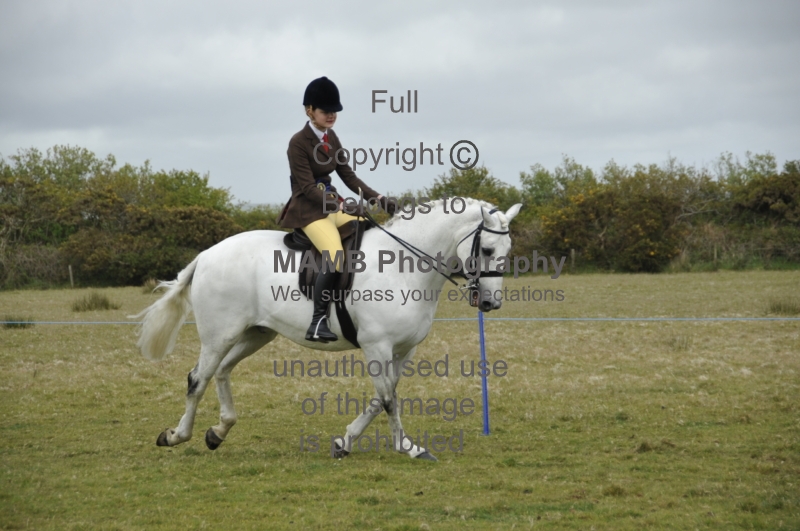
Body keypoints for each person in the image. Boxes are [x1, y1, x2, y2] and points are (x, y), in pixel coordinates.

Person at [278, 76, 396, 343]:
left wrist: (378, 198)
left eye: (334, 111)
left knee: (366, 228)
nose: (331, 115)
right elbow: (308, 188)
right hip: (308, 210)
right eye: (325, 111)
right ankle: (318, 320)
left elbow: (348, 176)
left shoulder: (331, 137)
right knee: (334, 255)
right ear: (310, 110)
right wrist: (343, 204)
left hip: (331, 205)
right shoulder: (298, 142)